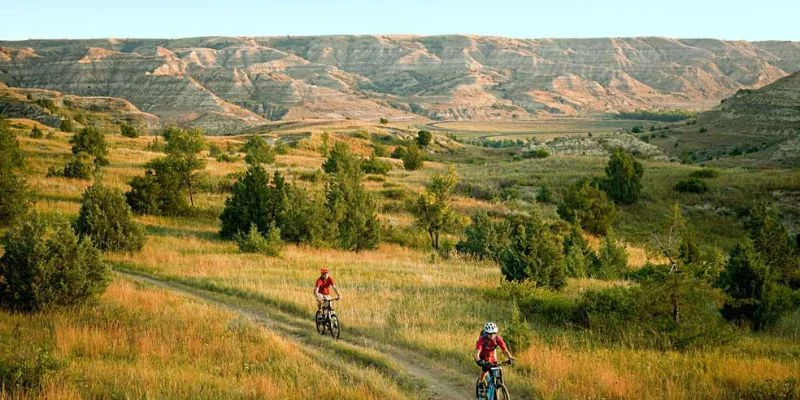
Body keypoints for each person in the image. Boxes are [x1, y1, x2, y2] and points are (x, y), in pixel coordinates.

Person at [474, 322, 514, 399]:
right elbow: (476, 353)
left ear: (496, 332)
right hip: (482, 357)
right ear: (486, 333)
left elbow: (505, 350)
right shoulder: (482, 340)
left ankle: (498, 386)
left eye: (494, 333)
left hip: (491, 358)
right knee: (484, 370)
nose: (492, 335)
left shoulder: (498, 339)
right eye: (489, 333)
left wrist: (510, 358)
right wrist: (479, 361)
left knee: (496, 370)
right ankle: (480, 383)